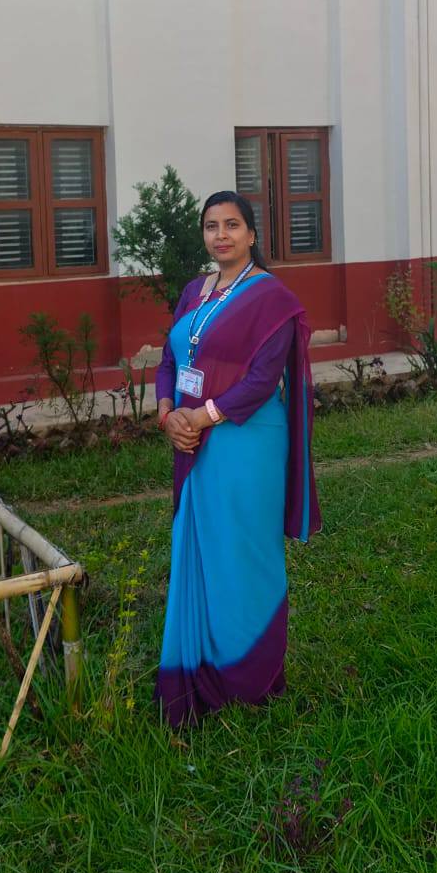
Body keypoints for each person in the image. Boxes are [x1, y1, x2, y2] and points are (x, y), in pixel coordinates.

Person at [154, 190, 321, 726]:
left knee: (245, 552)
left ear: (251, 234)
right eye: (211, 226)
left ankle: (253, 676)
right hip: (192, 441)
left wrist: (198, 418)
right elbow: (169, 360)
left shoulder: (271, 298)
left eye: (231, 225)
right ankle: (199, 668)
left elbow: (260, 381)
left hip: (247, 441)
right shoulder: (193, 291)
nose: (221, 235)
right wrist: (167, 415)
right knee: (200, 547)